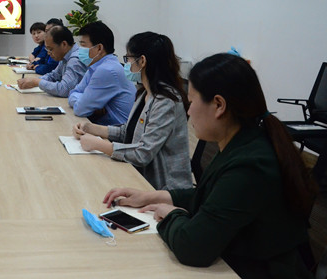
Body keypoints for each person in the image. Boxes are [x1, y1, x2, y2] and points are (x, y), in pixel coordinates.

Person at [103, 53, 316, 278]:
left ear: (218, 105)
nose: (188, 111)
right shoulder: (241, 142)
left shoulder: (251, 165)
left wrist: (172, 215)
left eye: (192, 101)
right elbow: (212, 196)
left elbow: (192, 248)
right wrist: (154, 197)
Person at [72, 32, 192, 190]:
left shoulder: (166, 101)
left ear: (142, 61)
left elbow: (143, 153)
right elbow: (129, 132)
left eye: (128, 58)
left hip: (161, 187)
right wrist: (91, 128)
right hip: (138, 173)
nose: (126, 64)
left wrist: (99, 145)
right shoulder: (144, 93)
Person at [68, 21, 135, 125]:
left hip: (116, 131)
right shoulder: (95, 66)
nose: (80, 49)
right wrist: (86, 100)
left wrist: (84, 101)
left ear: (99, 48)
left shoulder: (107, 70)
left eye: (83, 45)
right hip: (102, 126)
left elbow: (80, 109)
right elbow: (73, 93)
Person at [17, 26, 88, 97]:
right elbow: (54, 76)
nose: (48, 53)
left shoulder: (75, 60)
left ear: (64, 44)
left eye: (50, 49)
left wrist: (37, 82)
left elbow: (64, 89)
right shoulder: (65, 55)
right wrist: (31, 81)